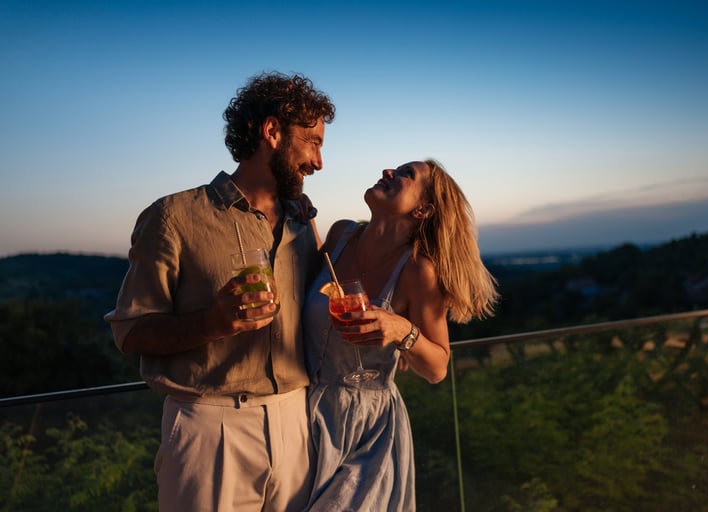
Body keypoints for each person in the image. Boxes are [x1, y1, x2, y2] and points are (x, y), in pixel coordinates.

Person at [104, 72, 335, 512]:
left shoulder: (303, 222)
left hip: (296, 423)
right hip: (210, 429)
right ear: (271, 132)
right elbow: (130, 332)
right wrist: (213, 322)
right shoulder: (173, 217)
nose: (319, 161)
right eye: (313, 141)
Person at [302, 159, 500, 511]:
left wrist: (402, 330)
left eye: (406, 174)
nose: (388, 172)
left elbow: (438, 367)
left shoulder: (417, 271)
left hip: (366, 430)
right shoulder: (340, 235)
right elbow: (314, 287)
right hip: (301, 416)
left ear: (423, 209)